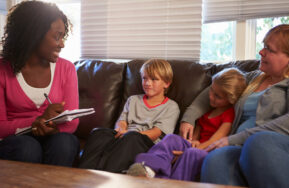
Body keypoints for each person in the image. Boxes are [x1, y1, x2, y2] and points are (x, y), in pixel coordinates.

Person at [182, 24, 289, 187]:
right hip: (239, 146)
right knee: (216, 159)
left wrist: (235, 138)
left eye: (269, 49)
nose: (261, 52)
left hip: (277, 147)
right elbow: (217, 87)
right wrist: (188, 118)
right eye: (263, 46)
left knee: (258, 142)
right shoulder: (255, 77)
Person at [127, 68, 247, 181]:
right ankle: (149, 168)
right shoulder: (208, 111)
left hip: (210, 151)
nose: (210, 96)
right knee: (172, 138)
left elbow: (215, 141)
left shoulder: (229, 114)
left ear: (231, 100)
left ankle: (172, 183)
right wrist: (192, 142)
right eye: (211, 90)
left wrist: (189, 150)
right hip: (198, 146)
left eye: (217, 96)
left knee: (192, 153)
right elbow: (195, 136)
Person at [0, 1, 79, 167]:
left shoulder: (67, 68)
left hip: (54, 136)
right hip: (16, 142)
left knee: (65, 143)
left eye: (62, 37)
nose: (62, 44)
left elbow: (72, 122)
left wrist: (50, 127)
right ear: (33, 34)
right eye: (56, 37)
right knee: (28, 147)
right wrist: (36, 121)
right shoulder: (2, 70)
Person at [78, 59, 180, 173]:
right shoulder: (133, 100)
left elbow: (156, 133)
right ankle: (84, 174)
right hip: (125, 137)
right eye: (144, 78)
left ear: (166, 83)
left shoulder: (171, 107)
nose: (147, 83)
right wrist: (121, 129)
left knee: (132, 137)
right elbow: (122, 121)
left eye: (154, 79)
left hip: (145, 142)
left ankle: (110, 175)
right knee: (99, 133)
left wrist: (128, 134)